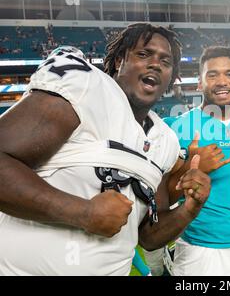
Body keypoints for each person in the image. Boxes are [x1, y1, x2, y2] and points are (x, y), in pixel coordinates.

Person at [0, 23, 211, 275]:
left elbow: (147, 236)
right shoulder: (87, 87)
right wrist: (83, 213)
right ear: (120, 60)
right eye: (143, 54)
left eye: (165, 61)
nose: (155, 63)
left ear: (171, 76)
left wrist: (189, 209)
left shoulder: (164, 141)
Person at [163, 46, 230, 276]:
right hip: (199, 250)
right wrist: (193, 168)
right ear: (200, 83)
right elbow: (162, 199)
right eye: (212, 75)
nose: (222, 81)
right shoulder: (178, 128)